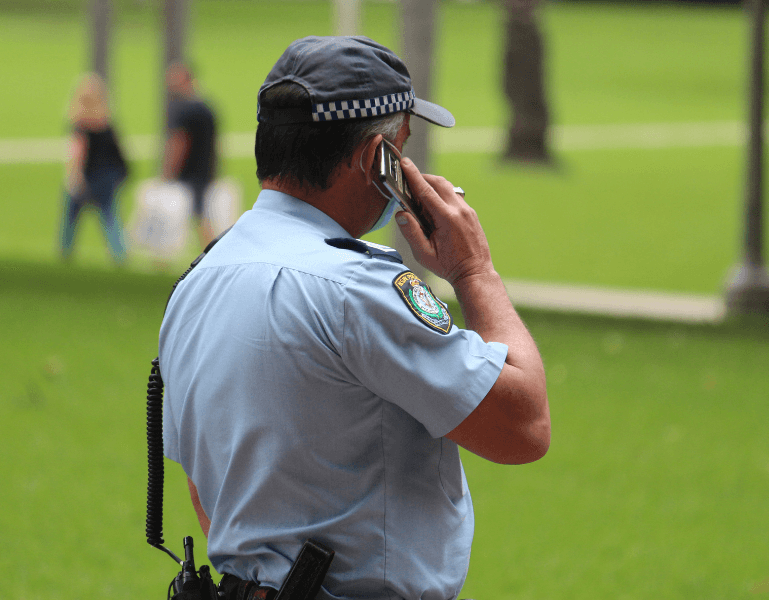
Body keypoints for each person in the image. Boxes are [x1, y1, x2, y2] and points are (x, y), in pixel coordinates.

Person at [159, 36, 550, 600]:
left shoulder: (197, 281)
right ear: (375, 160)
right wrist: (474, 272)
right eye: (401, 148)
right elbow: (523, 426)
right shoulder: (356, 289)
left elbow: (205, 491)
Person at [60, 72, 128, 264]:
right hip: (107, 179)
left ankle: (65, 252)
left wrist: (74, 175)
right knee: (110, 218)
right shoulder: (106, 123)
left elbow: (77, 152)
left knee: (71, 218)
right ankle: (119, 254)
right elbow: (117, 152)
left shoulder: (80, 125)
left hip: (87, 176)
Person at [162, 62, 218, 248]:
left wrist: (169, 170)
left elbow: (179, 143)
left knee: (192, 216)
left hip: (189, 173)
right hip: (205, 170)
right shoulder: (206, 107)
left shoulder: (182, 110)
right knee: (200, 214)